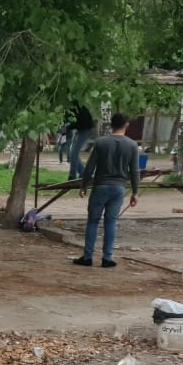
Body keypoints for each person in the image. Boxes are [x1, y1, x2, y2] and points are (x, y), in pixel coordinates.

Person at [74, 112, 140, 269]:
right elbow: (135, 171)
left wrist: (84, 185)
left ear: (111, 125)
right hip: (119, 188)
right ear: (126, 125)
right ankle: (107, 258)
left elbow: (90, 166)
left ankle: (88, 256)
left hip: (101, 186)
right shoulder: (132, 145)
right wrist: (135, 192)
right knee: (111, 222)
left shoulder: (101, 142)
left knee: (93, 221)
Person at [66, 102, 95, 180]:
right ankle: (83, 173)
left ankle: (72, 175)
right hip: (81, 130)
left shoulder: (78, 108)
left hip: (86, 129)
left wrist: (68, 127)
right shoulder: (71, 108)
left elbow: (79, 122)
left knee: (74, 152)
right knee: (73, 153)